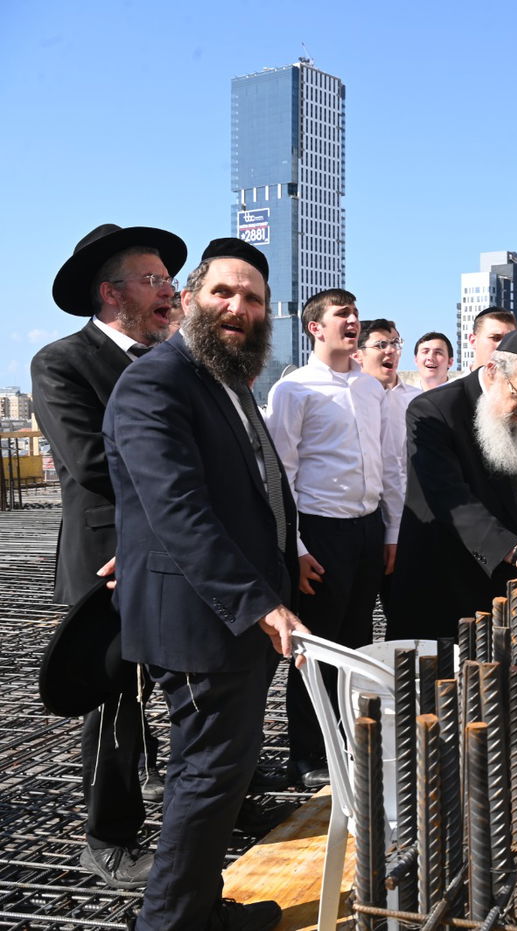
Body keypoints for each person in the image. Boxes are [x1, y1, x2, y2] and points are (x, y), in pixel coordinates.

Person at [105, 237, 303, 930]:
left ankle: (196, 906)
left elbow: (257, 494)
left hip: (240, 620)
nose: (237, 307)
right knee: (205, 780)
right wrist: (259, 602)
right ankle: (171, 921)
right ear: (189, 298)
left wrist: (285, 568)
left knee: (221, 780)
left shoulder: (229, 383)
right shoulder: (156, 382)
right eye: (224, 292)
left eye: (251, 298)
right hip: (203, 624)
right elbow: (178, 511)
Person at [33, 223, 185, 889]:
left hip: (177, 554)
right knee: (115, 701)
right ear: (111, 292)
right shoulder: (62, 362)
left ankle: (183, 799)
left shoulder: (176, 364)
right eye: (153, 278)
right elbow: (92, 461)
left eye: (168, 280)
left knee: (180, 684)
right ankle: (108, 838)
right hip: (109, 558)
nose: (169, 290)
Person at [265, 289, 403, 789]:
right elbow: (283, 476)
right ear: (314, 328)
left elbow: (388, 465)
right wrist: (296, 549)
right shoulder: (294, 390)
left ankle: (348, 740)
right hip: (320, 533)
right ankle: (307, 754)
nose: (352, 321)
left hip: (367, 531)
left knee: (359, 644)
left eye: (355, 314)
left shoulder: (371, 390)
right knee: (317, 647)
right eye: (340, 315)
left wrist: (389, 532)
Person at [389, 328, 517, 640]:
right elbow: (451, 499)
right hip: (449, 587)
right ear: (493, 371)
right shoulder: (434, 410)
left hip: (516, 586)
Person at [353, 319, 420, 627]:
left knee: (405, 617)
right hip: (356, 525)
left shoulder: (416, 400)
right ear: (358, 354)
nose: (391, 350)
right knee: (355, 622)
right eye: (381, 345)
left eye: (395, 343)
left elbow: (401, 471)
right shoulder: (348, 397)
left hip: (407, 524)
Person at [468, 308, 517, 372]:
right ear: (473, 341)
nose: (504, 345)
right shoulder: (454, 382)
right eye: (495, 338)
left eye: (509, 339)